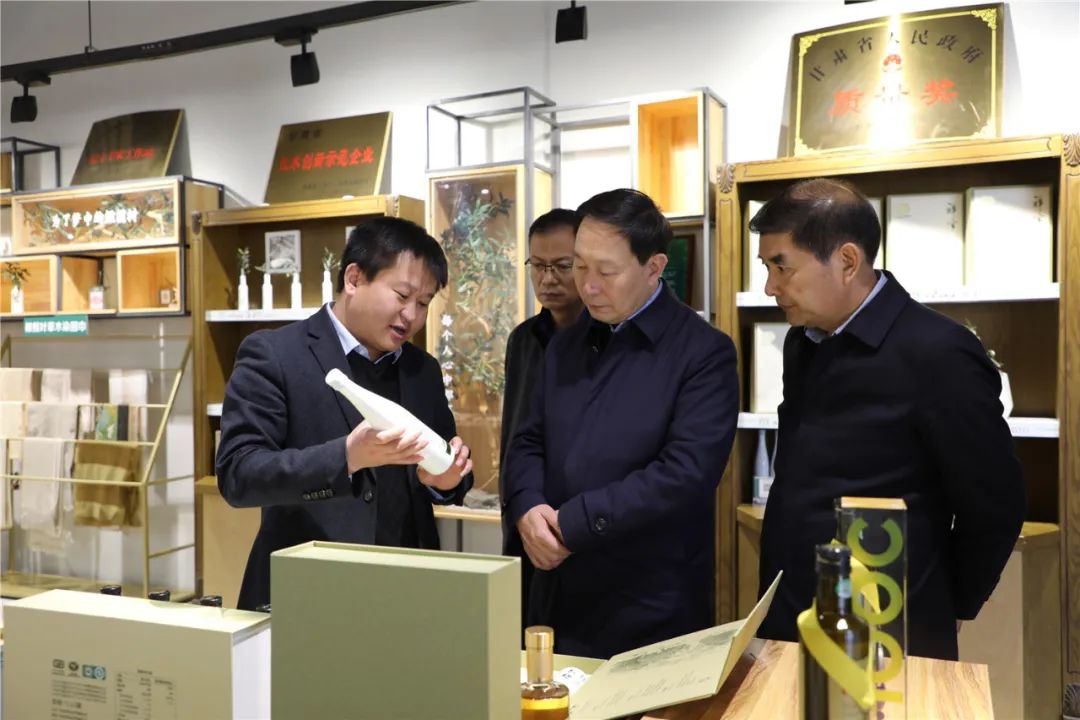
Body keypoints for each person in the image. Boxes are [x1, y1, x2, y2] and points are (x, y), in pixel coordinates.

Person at [751, 177, 1025, 660]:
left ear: (847, 261)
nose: (771, 286)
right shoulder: (803, 342)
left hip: (889, 620)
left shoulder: (939, 352)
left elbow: (994, 501)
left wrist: (954, 602)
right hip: (793, 607)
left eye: (781, 266)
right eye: (767, 268)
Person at [503, 188, 738, 659]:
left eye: (606, 272)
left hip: (649, 599)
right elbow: (527, 438)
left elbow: (685, 473)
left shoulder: (703, 352)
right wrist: (527, 507)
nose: (588, 286)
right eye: (579, 266)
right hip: (557, 589)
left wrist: (573, 523)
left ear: (654, 267)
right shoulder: (565, 343)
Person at [217, 216, 474, 610]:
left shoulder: (422, 370)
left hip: (407, 590)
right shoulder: (275, 354)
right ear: (354, 279)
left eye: (423, 303)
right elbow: (239, 475)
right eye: (402, 295)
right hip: (307, 590)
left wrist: (447, 478)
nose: (411, 315)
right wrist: (347, 457)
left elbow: (447, 470)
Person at [499, 208, 585, 630]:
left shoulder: (604, 340)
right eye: (538, 266)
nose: (548, 279)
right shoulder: (523, 339)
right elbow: (515, 432)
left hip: (579, 522)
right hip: (525, 513)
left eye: (562, 266)